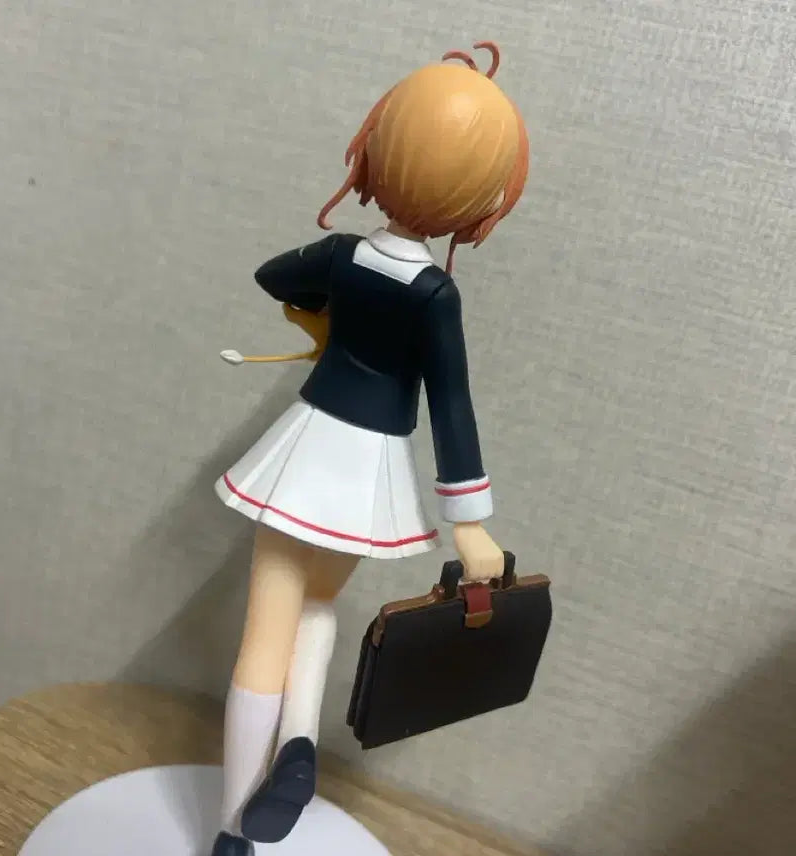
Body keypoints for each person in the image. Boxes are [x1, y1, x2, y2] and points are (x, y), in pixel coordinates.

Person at [210, 40, 529, 856]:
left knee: (265, 632)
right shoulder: (436, 293)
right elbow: (452, 401)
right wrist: (469, 525)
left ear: (376, 150)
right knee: (318, 604)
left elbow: (272, 275)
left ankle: (232, 830)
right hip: (369, 473)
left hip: (308, 449)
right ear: (481, 199)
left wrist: (322, 311)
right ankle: (299, 741)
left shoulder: (341, 256)